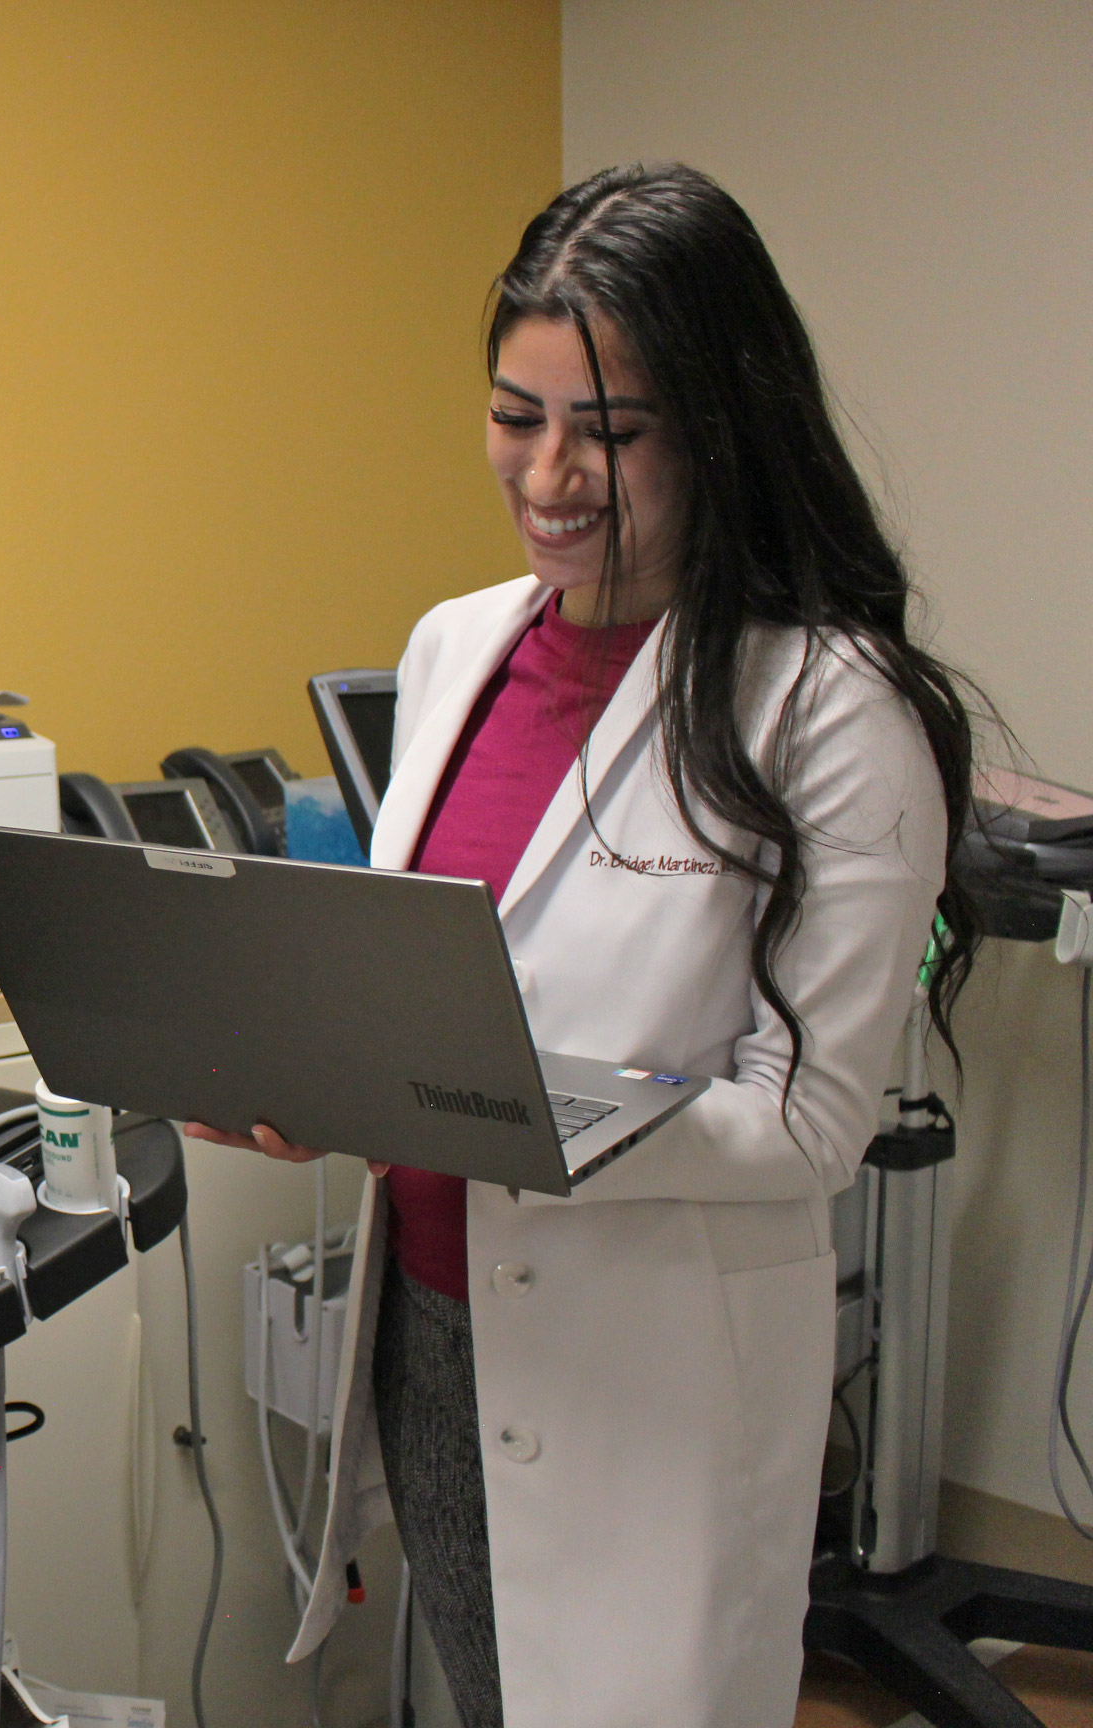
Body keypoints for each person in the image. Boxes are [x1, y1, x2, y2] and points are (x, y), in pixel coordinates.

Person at [188, 162, 977, 1727]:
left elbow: (816, 1121)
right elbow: (417, 987)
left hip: (650, 1378)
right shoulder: (454, 644)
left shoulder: (830, 709)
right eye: (515, 415)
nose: (550, 474)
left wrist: (501, 1104)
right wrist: (316, 1081)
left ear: (719, 428)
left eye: (609, 432)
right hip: (429, 1328)